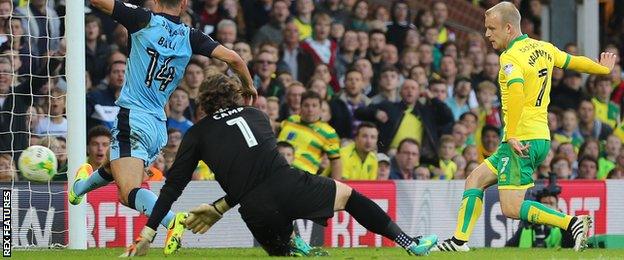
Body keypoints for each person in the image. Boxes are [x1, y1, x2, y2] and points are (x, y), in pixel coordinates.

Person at [124, 73, 438, 257]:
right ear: (236, 97)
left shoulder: (196, 134)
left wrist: (150, 233)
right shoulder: (258, 116)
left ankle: (291, 245)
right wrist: (220, 206)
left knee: (283, 250)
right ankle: (408, 243)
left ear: (203, 103)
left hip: (256, 210)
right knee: (351, 198)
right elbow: (262, 168)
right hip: (291, 186)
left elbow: (173, 187)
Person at [68, 0, 256, 256]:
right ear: (184, 4)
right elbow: (234, 59)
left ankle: (170, 220)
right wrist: (248, 86)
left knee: (128, 193)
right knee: (114, 165)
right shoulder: (191, 36)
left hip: (133, 117)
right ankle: (79, 189)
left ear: (156, 1)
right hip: (158, 123)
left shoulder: (143, 19)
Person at [434, 2, 615, 252]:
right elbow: (573, 61)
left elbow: (516, 93)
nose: (487, 34)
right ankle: (459, 241)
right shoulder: (543, 48)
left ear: (508, 28)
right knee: (475, 180)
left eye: (491, 29)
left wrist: (511, 135)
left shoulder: (510, 57)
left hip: (522, 138)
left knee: (511, 208)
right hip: (539, 135)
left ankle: (571, 222)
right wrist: (602, 68)